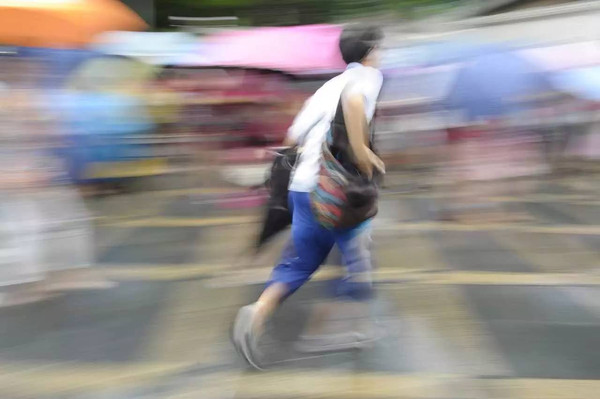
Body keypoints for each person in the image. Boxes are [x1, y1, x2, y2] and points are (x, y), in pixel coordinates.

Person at [232, 25, 385, 369]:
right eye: (379, 49)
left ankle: (255, 314)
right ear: (370, 51)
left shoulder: (325, 88)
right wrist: (364, 154)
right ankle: (333, 329)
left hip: (303, 189)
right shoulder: (366, 77)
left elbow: (292, 135)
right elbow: (355, 100)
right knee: (358, 261)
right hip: (338, 194)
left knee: (300, 264)